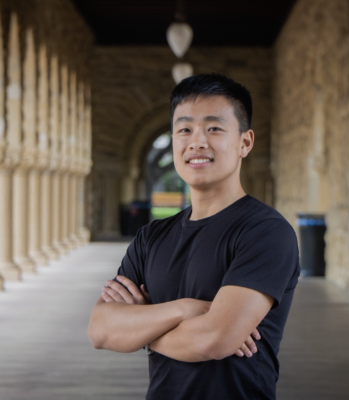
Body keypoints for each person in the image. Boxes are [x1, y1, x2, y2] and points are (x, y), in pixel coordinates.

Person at [88, 73, 300, 400]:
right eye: (184, 129)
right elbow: (101, 330)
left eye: (214, 128)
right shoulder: (151, 237)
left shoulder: (266, 232)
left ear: (245, 142)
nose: (196, 142)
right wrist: (187, 309)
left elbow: (214, 340)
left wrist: (141, 326)